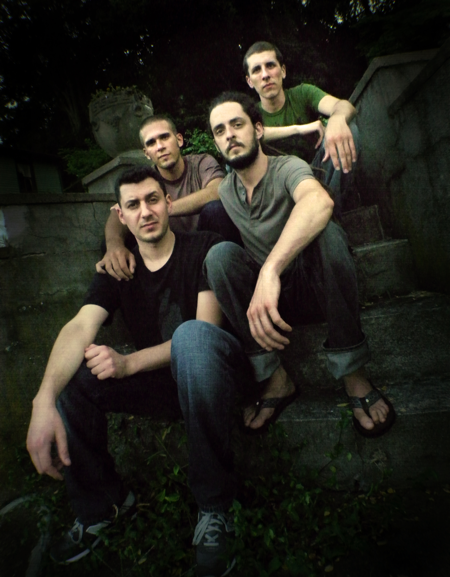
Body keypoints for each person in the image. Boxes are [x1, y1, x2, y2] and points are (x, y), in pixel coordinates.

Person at [26, 165, 247, 577]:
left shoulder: (204, 246)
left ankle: (216, 509)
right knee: (73, 374)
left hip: (212, 375)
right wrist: (43, 400)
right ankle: (102, 506)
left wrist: (128, 363)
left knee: (192, 338)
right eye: (133, 205)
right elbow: (79, 326)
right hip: (162, 386)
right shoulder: (118, 268)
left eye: (152, 200)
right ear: (121, 215)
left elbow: (205, 328)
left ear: (168, 203)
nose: (145, 211)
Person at [205, 91, 395, 437]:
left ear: (258, 130)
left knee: (328, 233)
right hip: (273, 310)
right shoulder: (226, 192)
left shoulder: (288, 167)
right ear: (216, 142)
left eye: (237, 124)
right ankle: (275, 377)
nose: (229, 135)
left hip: (315, 287)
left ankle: (352, 371)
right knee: (218, 257)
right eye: (220, 130)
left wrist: (270, 270)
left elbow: (318, 201)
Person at [96, 114, 240, 282]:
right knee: (115, 248)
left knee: (216, 209)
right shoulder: (146, 180)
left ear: (179, 139)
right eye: (151, 143)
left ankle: (232, 274)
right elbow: (117, 213)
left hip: (208, 247)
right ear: (146, 153)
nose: (160, 147)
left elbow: (217, 191)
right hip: (169, 256)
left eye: (164, 137)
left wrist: (163, 209)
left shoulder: (202, 163)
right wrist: (113, 245)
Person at [243, 41, 360, 218]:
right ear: (249, 81)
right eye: (257, 70)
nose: (265, 75)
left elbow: (344, 106)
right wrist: (298, 129)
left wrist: (336, 119)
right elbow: (245, 138)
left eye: (270, 66)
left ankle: (331, 214)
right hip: (281, 190)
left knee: (348, 128)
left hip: (319, 175)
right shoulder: (250, 113)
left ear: (283, 71)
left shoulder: (302, 93)